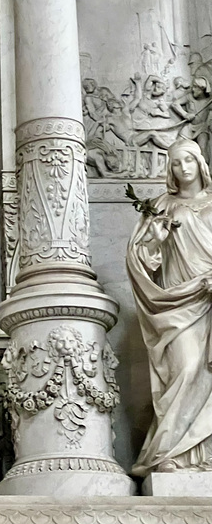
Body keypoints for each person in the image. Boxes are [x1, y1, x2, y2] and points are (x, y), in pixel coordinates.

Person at [127, 139, 212, 475]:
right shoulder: (161, 206)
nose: (183, 168)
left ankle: (199, 455)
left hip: (211, 296)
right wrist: (155, 241)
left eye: (189, 160)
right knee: (187, 366)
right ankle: (166, 452)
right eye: (176, 163)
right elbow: (139, 259)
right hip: (179, 301)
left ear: (200, 162)